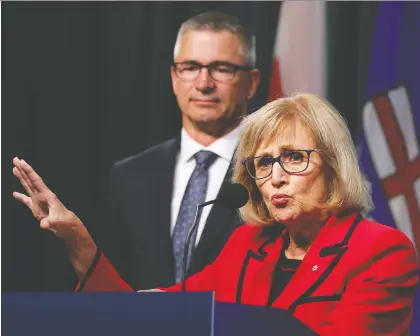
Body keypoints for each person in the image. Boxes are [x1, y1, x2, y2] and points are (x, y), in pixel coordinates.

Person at [13, 93, 418, 335]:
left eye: (294, 158)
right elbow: (151, 318)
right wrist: (78, 240)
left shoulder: (382, 251)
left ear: (332, 165)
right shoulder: (248, 246)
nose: (275, 177)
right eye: (262, 164)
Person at [86, 11, 261, 289]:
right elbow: (112, 287)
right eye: (190, 67)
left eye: (222, 69)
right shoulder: (130, 176)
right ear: (173, 77)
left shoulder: (272, 175)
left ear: (251, 83)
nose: (203, 84)